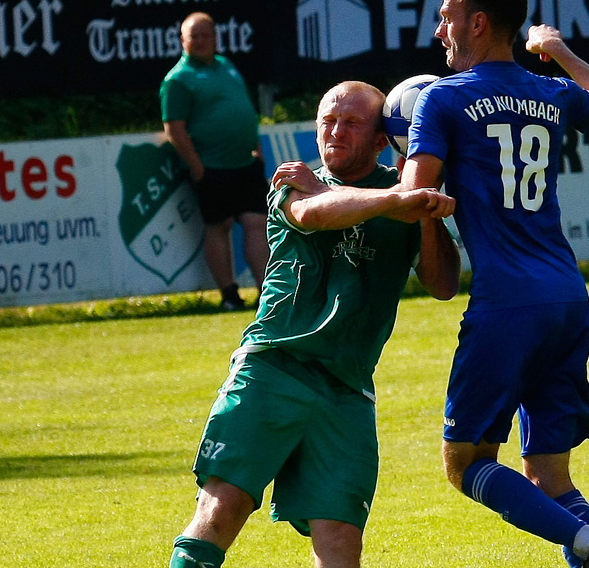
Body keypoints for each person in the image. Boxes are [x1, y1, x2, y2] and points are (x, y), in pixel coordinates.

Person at [168, 80, 462, 568]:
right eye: (327, 120)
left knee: (342, 542)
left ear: (380, 138)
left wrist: (425, 210)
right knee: (222, 510)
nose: (335, 131)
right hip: (273, 368)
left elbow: (443, 284)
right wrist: (396, 201)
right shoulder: (296, 182)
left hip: (347, 393)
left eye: (352, 123)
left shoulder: (400, 193)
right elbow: (313, 213)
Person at [400, 0, 589, 568]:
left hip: (506, 304)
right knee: (550, 479)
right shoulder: (549, 91)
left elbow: (413, 197)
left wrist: (400, 147)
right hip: (566, 297)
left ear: (478, 22)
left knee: (466, 463)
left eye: (447, 17)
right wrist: (556, 49)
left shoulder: (442, 100)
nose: (439, 30)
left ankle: (584, 544)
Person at [160, 11, 269, 311]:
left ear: (215, 38)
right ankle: (229, 295)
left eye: (205, 35)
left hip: (245, 165)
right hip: (211, 167)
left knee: (257, 223)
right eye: (193, 36)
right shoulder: (178, 80)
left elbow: (243, 112)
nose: (200, 41)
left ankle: (267, 293)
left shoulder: (226, 66)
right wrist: (198, 168)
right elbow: (174, 128)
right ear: (182, 40)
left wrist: (255, 147)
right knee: (218, 226)